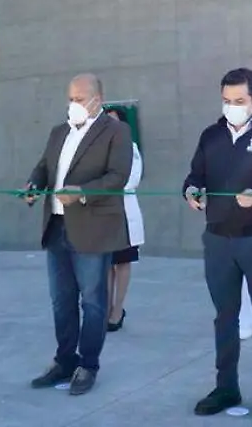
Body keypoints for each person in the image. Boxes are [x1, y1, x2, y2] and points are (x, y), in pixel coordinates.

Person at [184, 67, 252, 424]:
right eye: (226, 101)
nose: (232, 107)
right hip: (218, 239)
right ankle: (226, 386)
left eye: (239, 101)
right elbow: (195, 176)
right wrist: (191, 191)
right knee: (225, 318)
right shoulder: (210, 136)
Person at [23, 73, 133, 396]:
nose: (74, 104)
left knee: (94, 302)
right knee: (61, 301)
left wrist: (82, 192)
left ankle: (88, 365)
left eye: (80, 98)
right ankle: (65, 361)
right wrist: (34, 184)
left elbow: (118, 176)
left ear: (98, 99)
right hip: (56, 227)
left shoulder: (116, 131)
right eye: (71, 98)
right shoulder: (59, 132)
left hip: (92, 228)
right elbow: (44, 167)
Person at [104, 105, 143, 333]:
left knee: (122, 262)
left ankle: (118, 309)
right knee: (107, 264)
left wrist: (107, 186)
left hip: (123, 211)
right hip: (103, 214)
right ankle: (107, 308)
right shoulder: (98, 149)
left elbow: (132, 178)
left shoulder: (131, 147)